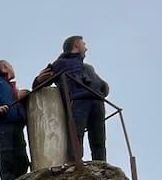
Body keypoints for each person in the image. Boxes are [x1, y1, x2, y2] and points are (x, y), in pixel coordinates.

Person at [40, 35, 110, 163]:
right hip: (77, 101)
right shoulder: (60, 64)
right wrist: (39, 79)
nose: (86, 48)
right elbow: (41, 81)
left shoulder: (88, 68)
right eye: (84, 44)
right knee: (76, 134)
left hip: (96, 101)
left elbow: (101, 84)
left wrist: (102, 88)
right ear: (76, 45)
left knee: (99, 136)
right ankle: (75, 162)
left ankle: (101, 163)